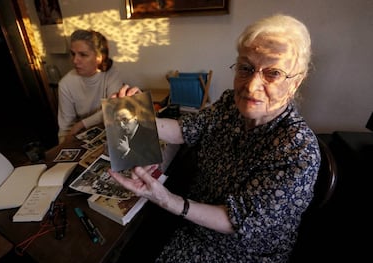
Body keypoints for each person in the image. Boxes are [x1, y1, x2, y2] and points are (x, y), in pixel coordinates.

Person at [108, 14, 321, 262]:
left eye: (272, 73)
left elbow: (235, 220)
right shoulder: (231, 103)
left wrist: (169, 201)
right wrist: (136, 116)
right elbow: (184, 129)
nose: (252, 86)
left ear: (296, 82)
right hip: (194, 225)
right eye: (246, 68)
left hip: (241, 252)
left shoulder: (298, 151)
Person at [57, 29, 124, 144]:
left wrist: (81, 124)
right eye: (73, 54)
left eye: (83, 55)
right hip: (82, 136)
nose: (75, 60)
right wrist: (63, 148)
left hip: (107, 130)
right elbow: (65, 128)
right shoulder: (65, 84)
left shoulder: (112, 73)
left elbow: (113, 109)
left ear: (100, 57)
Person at [107, 95, 162, 171]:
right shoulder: (118, 135)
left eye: (125, 120)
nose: (121, 125)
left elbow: (152, 164)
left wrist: (127, 151)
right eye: (117, 122)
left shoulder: (151, 136)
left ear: (136, 118)